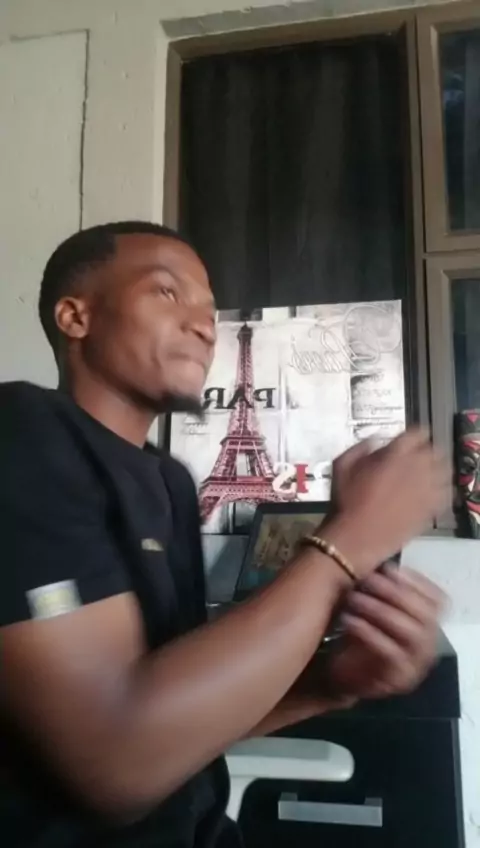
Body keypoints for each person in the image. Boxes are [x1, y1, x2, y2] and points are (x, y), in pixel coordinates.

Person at [0, 222, 447, 848]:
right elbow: (115, 762)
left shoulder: (170, 480)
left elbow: (179, 728)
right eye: (166, 292)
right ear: (76, 317)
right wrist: (349, 541)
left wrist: (331, 684)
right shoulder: (22, 433)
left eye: (210, 309)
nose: (205, 326)